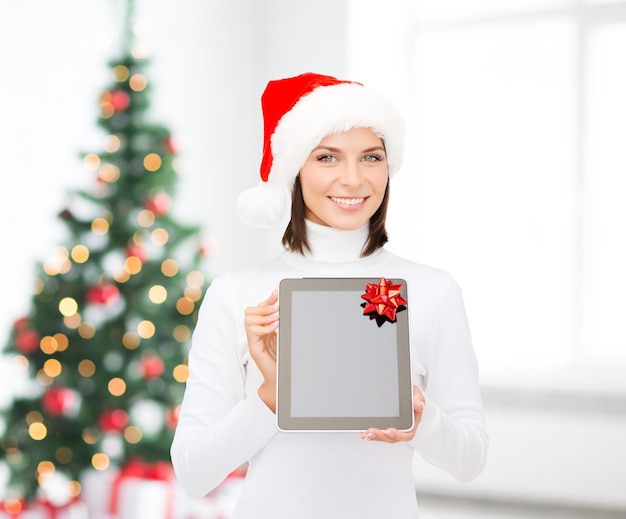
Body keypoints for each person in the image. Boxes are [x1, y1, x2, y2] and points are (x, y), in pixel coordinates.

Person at [170, 72, 488, 518]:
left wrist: (423, 420)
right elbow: (193, 471)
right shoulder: (236, 295)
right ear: (295, 168)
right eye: (327, 157)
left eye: (371, 157)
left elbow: (471, 459)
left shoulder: (433, 292)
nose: (353, 179)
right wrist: (272, 398)